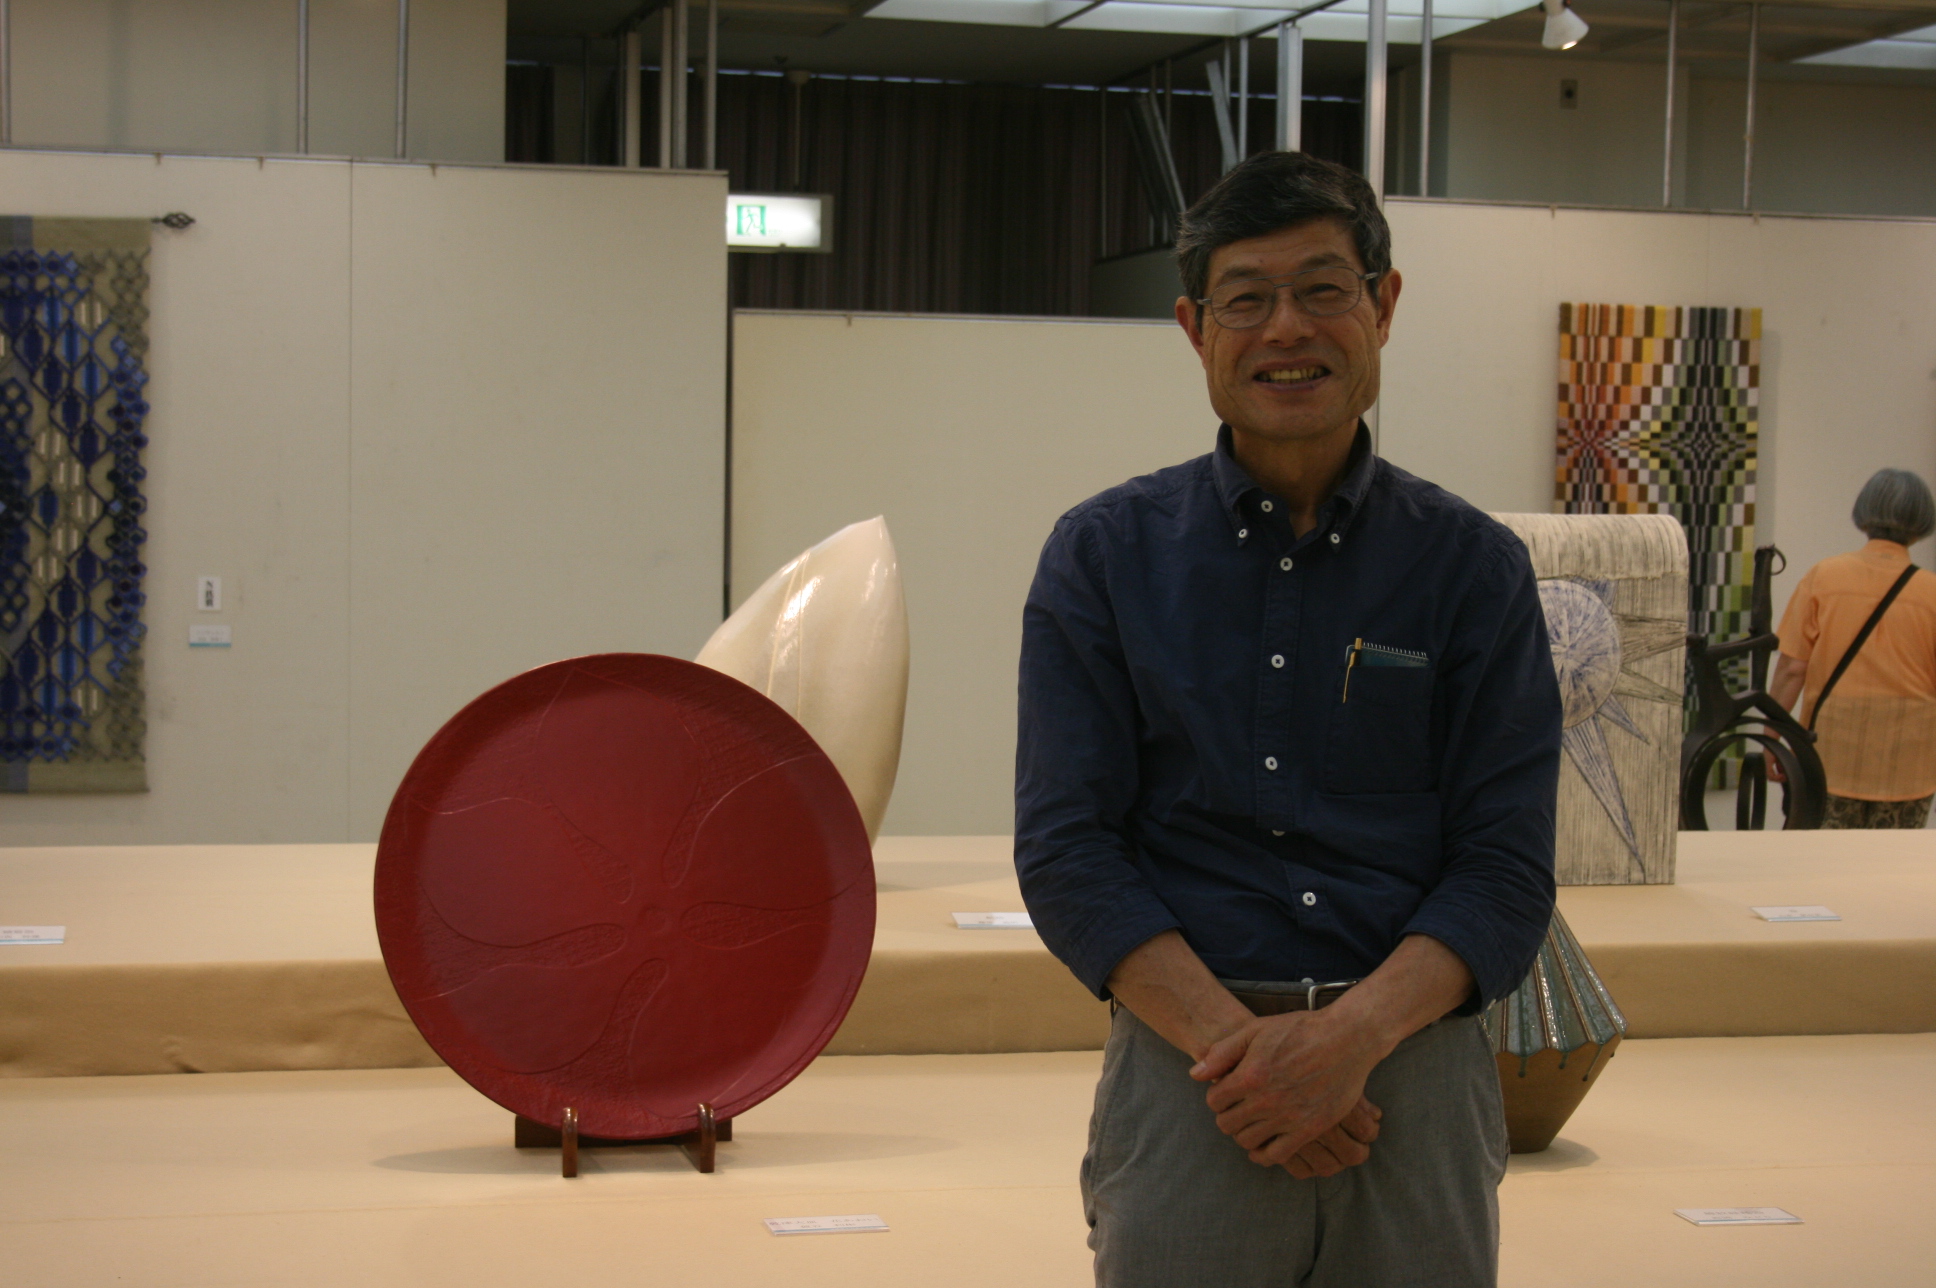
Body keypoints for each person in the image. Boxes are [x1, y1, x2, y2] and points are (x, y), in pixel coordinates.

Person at [1013, 151, 1562, 1288]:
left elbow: (1505, 867)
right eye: (1246, 298)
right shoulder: (1103, 557)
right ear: (1193, 328)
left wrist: (1346, 1042)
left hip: (1412, 1069)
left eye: (1322, 289)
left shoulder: (1473, 570)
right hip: (1190, 1071)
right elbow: (1068, 850)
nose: (1286, 330)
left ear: (1384, 304)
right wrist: (1253, 1062)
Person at [1769, 469, 1936, 828]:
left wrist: (1771, 738)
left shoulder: (1824, 577)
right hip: (1910, 762)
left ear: (1864, 513)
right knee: (1892, 860)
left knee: (1826, 857)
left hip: (1831, 753)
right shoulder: (1931, 592)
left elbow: (1792, 669)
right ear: (1922, 522)